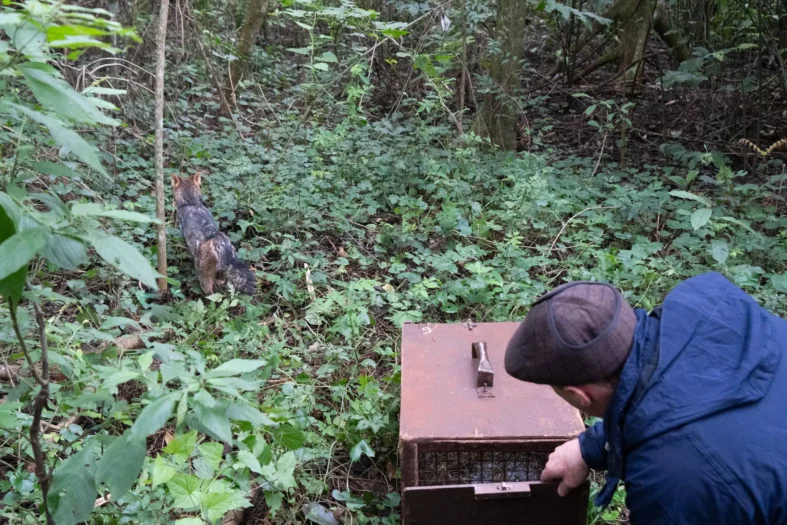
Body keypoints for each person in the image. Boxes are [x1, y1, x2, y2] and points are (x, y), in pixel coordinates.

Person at [503, 272, 787, 524]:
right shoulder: (710, 319)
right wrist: (591, 446)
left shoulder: (676, 482)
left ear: (580, 395)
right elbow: (672, 395)